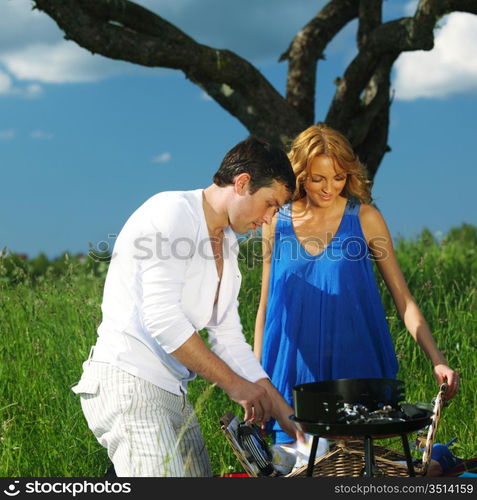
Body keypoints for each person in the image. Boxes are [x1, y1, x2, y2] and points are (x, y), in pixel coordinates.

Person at [72, 136, 303, 477]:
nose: (269, 219)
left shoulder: (227, 244)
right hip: (130, 384)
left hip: (173, 393)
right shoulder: (172, 212)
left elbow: (226, 336)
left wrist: (286, 415)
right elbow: (163, 321)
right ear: (242, 184)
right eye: (270, 203)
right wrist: (235, 385)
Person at [253, 124, 459, 448]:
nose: (328, 188)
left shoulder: (365, 218)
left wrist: (437, 359)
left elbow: (404, 300)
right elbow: (266, 306)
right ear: (300, 175)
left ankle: (437, 461)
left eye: (338, 177)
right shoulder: (276, 222)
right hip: (289, 374)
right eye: (318, 178)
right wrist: (256, 377)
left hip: (354, 370)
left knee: (354, 472)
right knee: (292, 474)